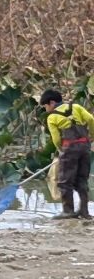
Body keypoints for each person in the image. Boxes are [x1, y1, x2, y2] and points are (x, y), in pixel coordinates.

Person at [43, 88, 93, 220]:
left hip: (69, 149)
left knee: (65, 181)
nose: (45, 109)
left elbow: (56, 139)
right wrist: (92, 136)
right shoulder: (76, 107)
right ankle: (84, 211)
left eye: (45, 106)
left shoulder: (52, 117)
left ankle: (68, 211)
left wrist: (61, 149)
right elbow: (91, 119)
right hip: (85, 147)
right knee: (82, 179)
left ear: (52, 103)